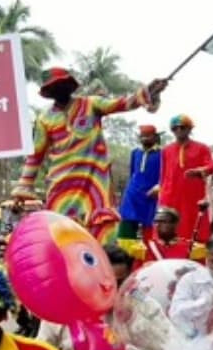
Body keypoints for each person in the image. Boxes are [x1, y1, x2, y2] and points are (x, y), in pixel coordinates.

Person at [14, 67, 168, 243]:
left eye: (63, 84)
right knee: (62, 233)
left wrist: (149, 91)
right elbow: (36, 154)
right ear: (48, 92)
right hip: (62, 183)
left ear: (70, 86)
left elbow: (124, 103)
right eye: (54, 87)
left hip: (95, 181)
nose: (59, 89)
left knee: (103, 230)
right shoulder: (44, 118)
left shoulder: (90, 104)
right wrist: (24, 186)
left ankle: (106, 267)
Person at [158, 114, 213, 243]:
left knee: (194, 228)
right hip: (170, 196)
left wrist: (201, 170)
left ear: (190, 129)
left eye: (182, 127)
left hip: (192, 196)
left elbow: (211, 165)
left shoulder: (202, 148)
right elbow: (162, 174)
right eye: (175, 128)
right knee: (168, 227)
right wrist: (161, 192)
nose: (179, 130)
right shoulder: (166, 150)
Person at [117, 124, 164, 241]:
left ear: (155, 137)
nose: (145, 139)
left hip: (151, 195)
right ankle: (125, 253)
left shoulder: (162, 154)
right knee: (127, 222)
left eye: (148, 136)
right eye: (142, 136)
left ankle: (148, 255)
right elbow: (133, 172)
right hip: (132, 194)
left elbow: (165, 174)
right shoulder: (135, 152)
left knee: (149, 226)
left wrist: (159, 187)